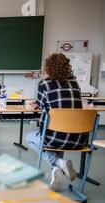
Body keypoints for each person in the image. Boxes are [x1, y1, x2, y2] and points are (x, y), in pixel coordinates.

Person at [26, 53, 84, 192]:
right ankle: (55, 173)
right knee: (61, 130)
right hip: (78, 139)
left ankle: (59, 163)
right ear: (67, 67)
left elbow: (40, 105)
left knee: (29, 137)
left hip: (54, 137)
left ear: (49, 67)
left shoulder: (45, 84)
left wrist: (35, 104)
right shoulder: (75, 84)